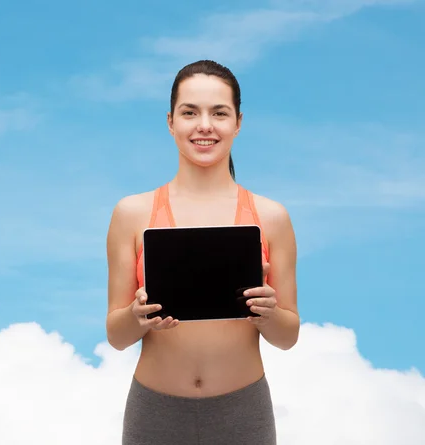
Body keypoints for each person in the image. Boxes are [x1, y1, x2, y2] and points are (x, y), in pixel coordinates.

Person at [105, 60, 299, 444]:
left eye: (219, 113)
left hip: (243, 412)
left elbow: (287, 335)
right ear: (170, 121)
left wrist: (267, 312)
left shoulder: (271, 217)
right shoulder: (132, 214)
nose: (204, 125)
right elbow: (116, 334)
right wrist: (137, 315)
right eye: (190, 112)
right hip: (154, 412)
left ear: (238, 123)